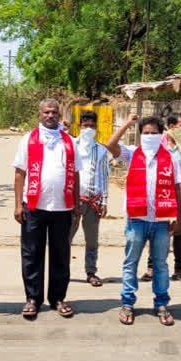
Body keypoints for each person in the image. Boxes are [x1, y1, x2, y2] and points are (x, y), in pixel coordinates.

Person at [106, 114, 181, 326]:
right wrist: (128, 124)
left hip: (161, 220)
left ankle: (161, 304)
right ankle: (128, 303)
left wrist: (176, 214)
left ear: (161, 135)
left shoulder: (170, 157)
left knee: (160, 264)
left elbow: (177, 187)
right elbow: (110, 144)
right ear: (140, 135)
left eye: (153, 133)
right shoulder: (132, 154)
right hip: (136, 220)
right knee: (131, 263)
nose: (149, 136)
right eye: (145, 133)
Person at [13, 99, 81, 319]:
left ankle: (58, 298)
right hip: (34, 206)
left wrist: (77, 205)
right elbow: (20, 172)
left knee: (61, 254)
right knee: (32, 253)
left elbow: (76, 173)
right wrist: (17, 204)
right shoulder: (28, 139)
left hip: (62, 207)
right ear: (39, 114)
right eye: (46, 112)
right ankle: (33, 298)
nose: (50, 115)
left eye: (54, 112)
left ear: (59, 115)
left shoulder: (69, 141)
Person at [144, 113, 181, 283]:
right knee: (157, 230)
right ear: (171, 126)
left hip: (178, 192)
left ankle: (179, 269)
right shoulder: (158, 143)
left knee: (179, 231)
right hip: (160, 193)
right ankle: (151, 267)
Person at [69, 110, 109, 287]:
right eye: (85, 125)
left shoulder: (101, 150)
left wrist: (105, 201)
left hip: (94, 200)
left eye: (92, 126)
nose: (88, 129)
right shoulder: (71, 145)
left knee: (92, 239)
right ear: (79, 127)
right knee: (66, 237)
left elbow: (104, 176)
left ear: (96, 128)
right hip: (72, 200)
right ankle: (63, 271)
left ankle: (91, 272)